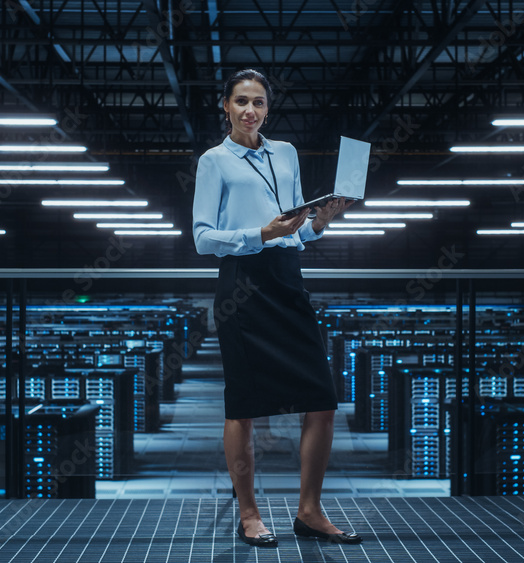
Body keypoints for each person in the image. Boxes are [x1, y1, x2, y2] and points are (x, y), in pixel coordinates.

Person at [192, 68, 361, 547]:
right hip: (243, 286)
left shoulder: (285, 154)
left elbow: (297, 230)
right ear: (225, 106)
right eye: (241, 101)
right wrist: (260, 234)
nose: (250, 111)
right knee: (243, 407)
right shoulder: (214, 161)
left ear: (268, 109)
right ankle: (249, 515)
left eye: (259, 103)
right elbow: (203, 239)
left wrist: (320, 223)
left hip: (288, 282)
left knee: (322, 399)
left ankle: (309, 511)